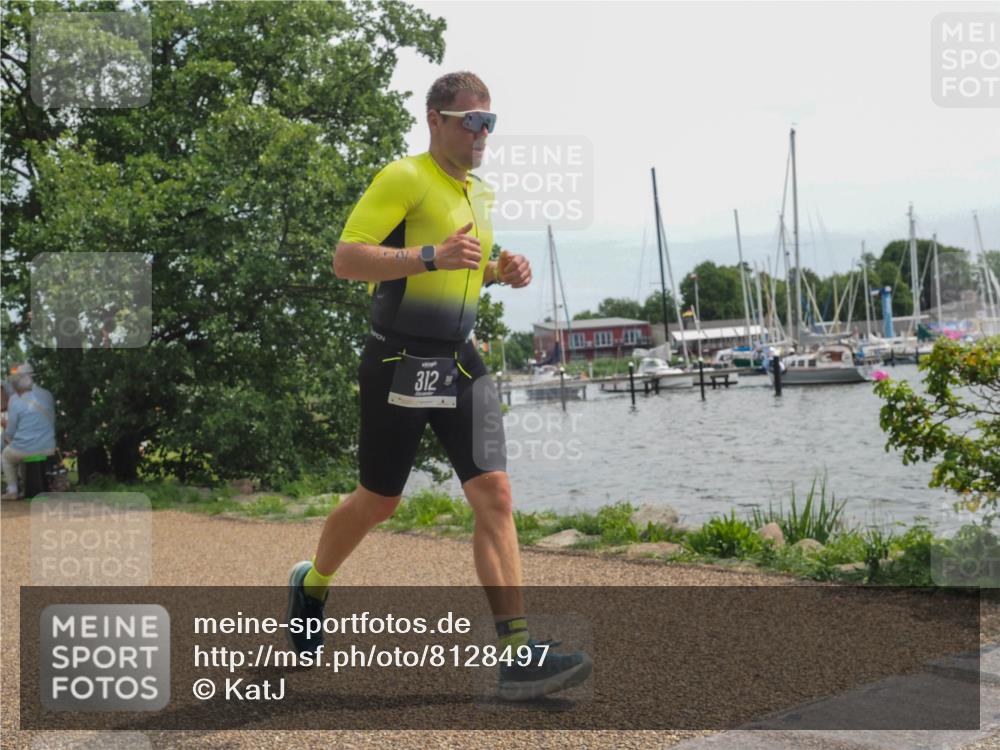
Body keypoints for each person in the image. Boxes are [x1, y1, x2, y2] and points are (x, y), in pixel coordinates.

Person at [285, 71, 591, 701]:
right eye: (470, 121)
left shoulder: (480, 191)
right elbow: (347, 259)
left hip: (460, 358)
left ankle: (517, 656)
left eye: (490, 122)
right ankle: (312, 583)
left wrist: (502, 269)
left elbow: (466, 268)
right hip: (400, 358)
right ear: (435, 120)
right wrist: (427, 256)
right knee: (379, 501)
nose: (482, 133)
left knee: (495, 493)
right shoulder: (404, 178)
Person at [1, 363, 57, 500]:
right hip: (49, 446)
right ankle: (27, 488)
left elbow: (11, 432)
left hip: (28, 447)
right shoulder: (47, 394)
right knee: (21, 452)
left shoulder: (15, 399)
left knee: (7, 456)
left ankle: (12, 491)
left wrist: (6, 430)